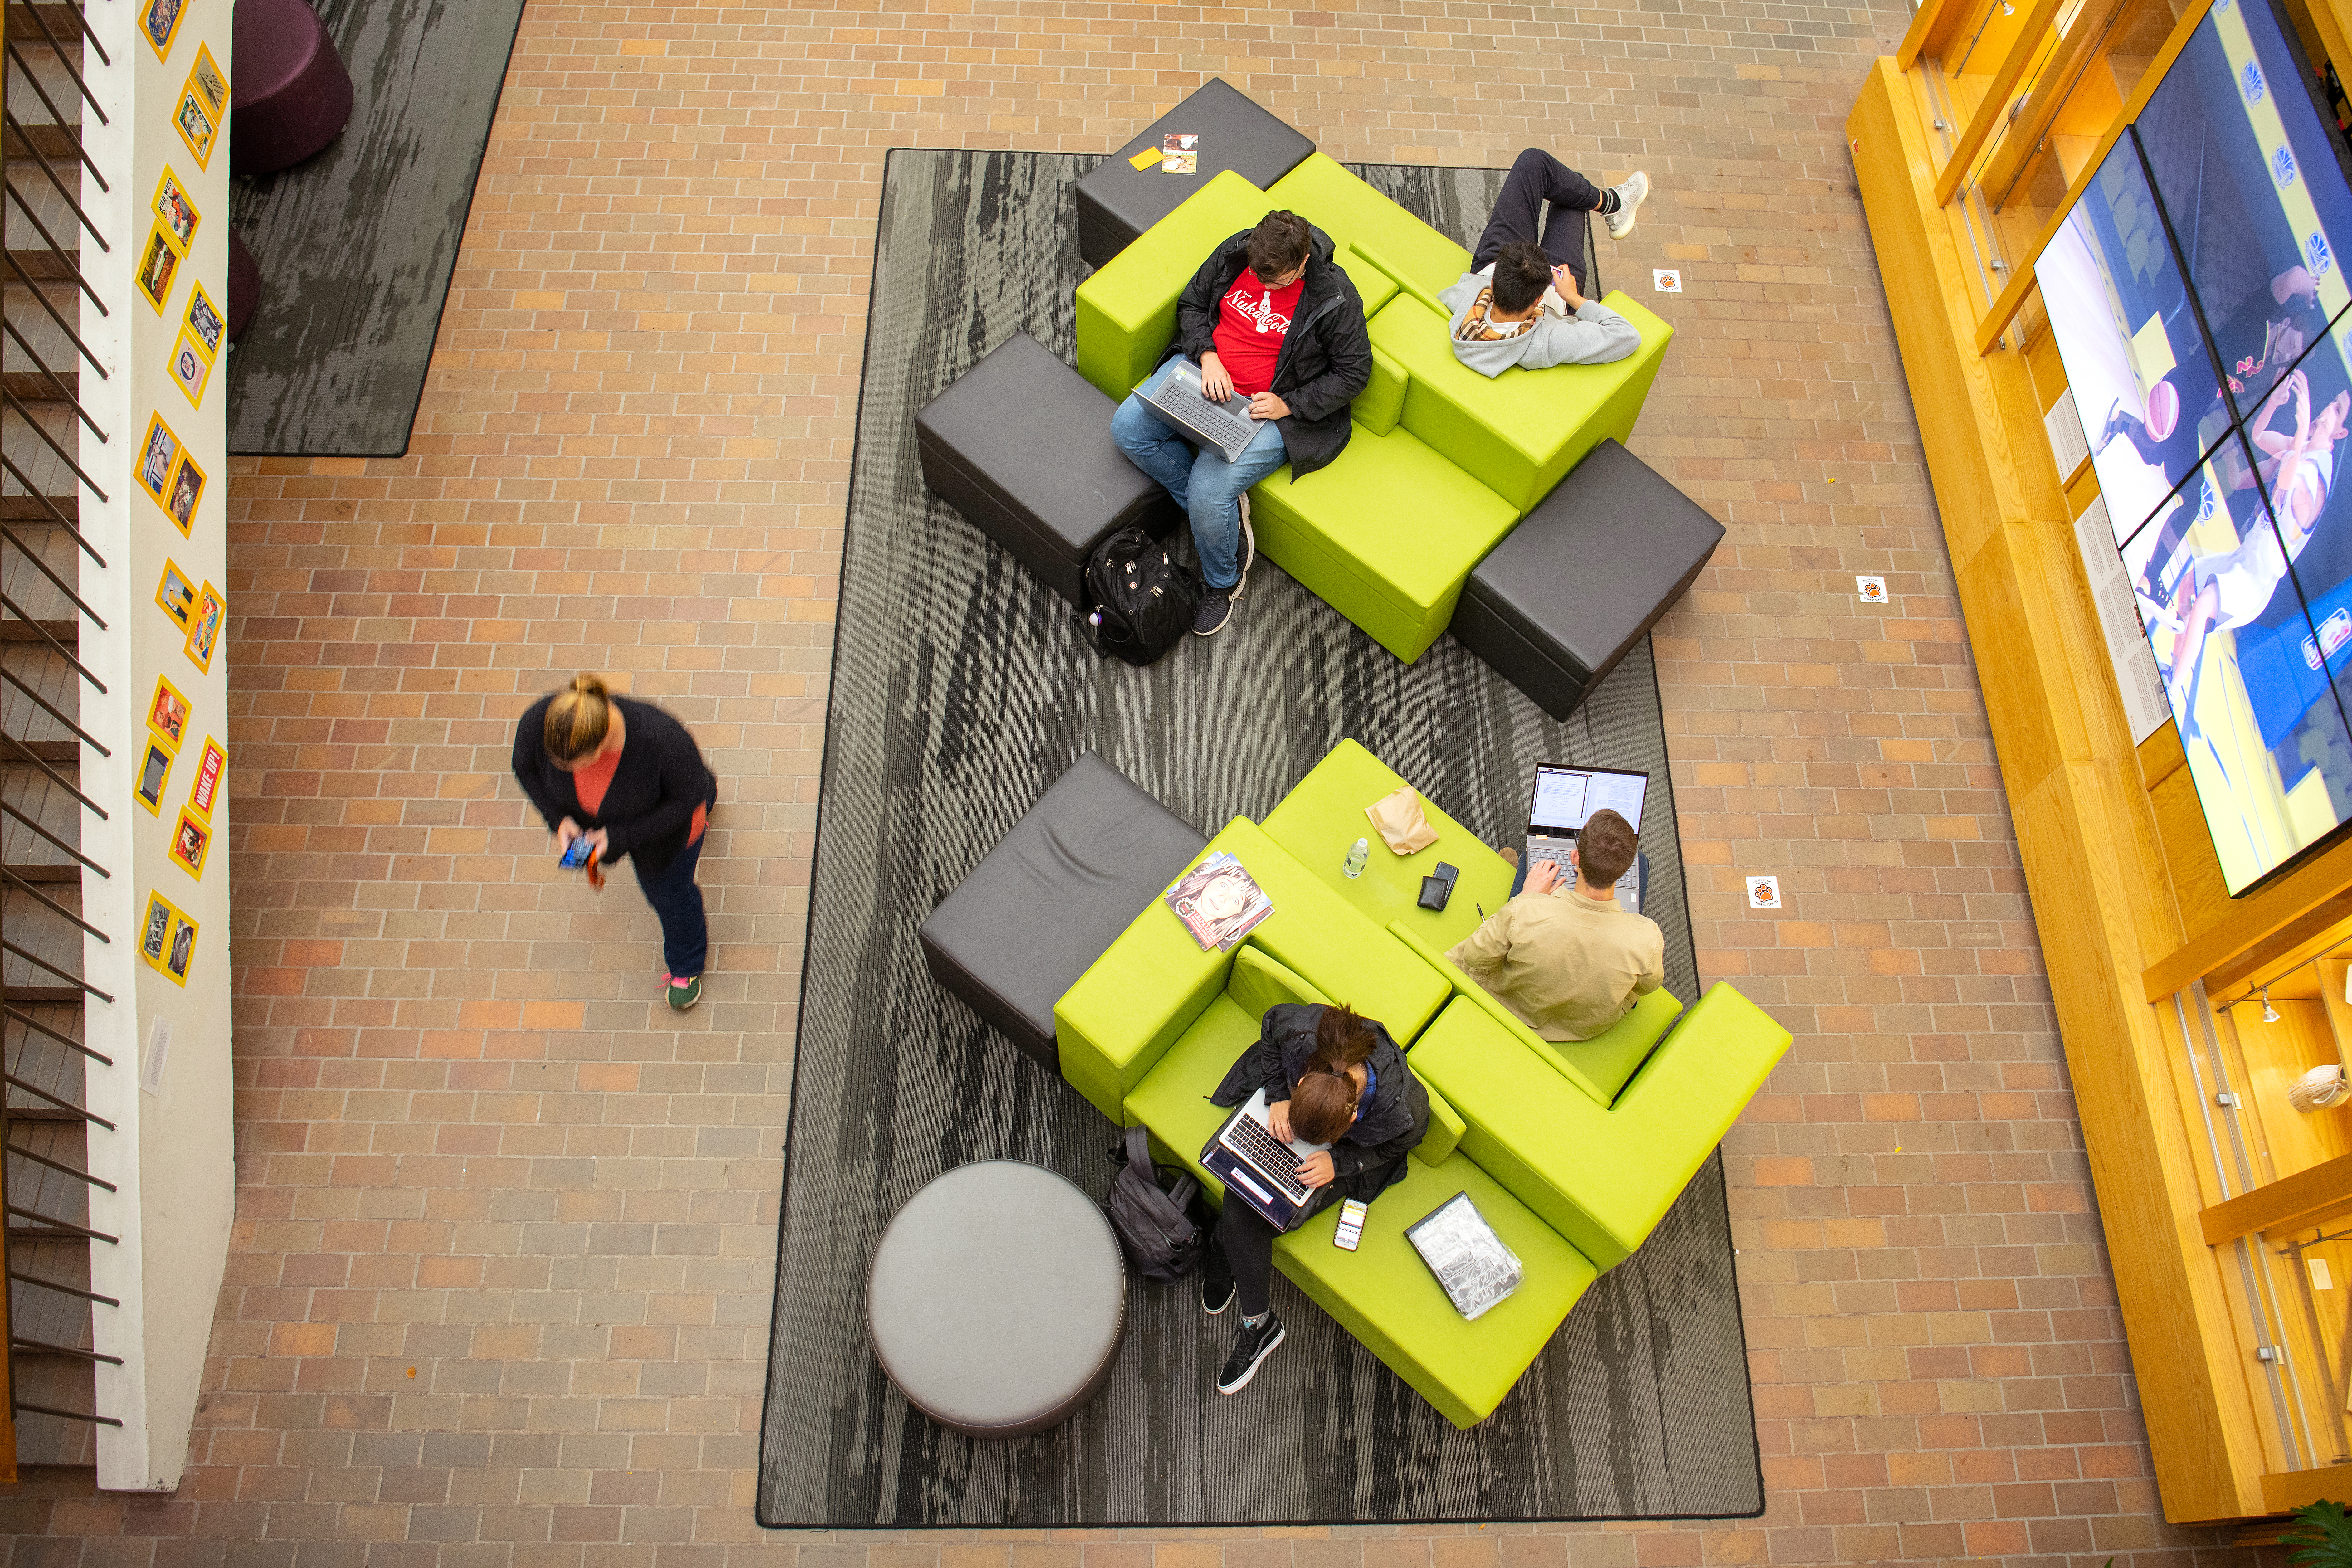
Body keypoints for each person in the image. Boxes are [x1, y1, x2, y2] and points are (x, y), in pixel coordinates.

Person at [1111, 210, 1372, 637]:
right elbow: (1192, 303)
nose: (1267, 290)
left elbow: (1353, 373)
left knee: (1209, 485)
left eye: (1279, 282)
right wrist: (1207, 355)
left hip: (1269, 409)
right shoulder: (1237, 252)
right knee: (1127, 428)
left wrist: (1287, 404)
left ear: (1303, 262)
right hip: (1204, 375)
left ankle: (1223, 581)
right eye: (1261, 279)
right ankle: (1210, 515)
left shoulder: (1335, 296)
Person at [1200, 999, 1429, 1394]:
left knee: (1264, 1212)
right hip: (1290, 1110)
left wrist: (1340, 1164)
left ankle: (1235, 1267)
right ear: (1303, 1079)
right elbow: (1271, 1020)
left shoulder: (1403, 1110)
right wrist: (1278, 1098)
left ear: (1352, 1120)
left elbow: (1398, 1146)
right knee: (1244, 1192)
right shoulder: (1303, 1034)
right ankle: (1249, 1298)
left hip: (1341, 1157)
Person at [512, 674, 719, 1010]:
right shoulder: (543, 721)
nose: (568, 771)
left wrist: (619, 836)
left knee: (670, 896)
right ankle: (703, 784)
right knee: (687, 783)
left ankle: (687, 965)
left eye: (578, 764)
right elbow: (524, 767)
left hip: (667, 833)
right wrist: (559, 820)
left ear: (604, 739)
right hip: (598, 827)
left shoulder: (662, 738)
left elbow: (685, 801)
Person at [1446, 807, 1663, 1043]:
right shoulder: (1648, 938)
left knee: (1526, 874)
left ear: (1575, 858)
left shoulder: (1526, 910)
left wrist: (1526, 896)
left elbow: (1475, 957)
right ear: (1624, 870)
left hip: (1513, 1008)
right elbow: (1646, 988)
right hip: (1583, 1028)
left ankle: (1519, 872)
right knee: (1644, 861)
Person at [1437, 149, 1649, 376]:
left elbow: (1455, 293)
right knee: (1572, 193)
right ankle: (1613, 205)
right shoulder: (1548, 342)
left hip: (1499, 261)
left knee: (1535, 162)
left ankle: (1612, 204)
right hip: (1555, 281)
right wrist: (1573, 298)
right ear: (1538, 300)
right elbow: (1627, 336)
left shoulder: (1460, 302)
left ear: (1494, 284)